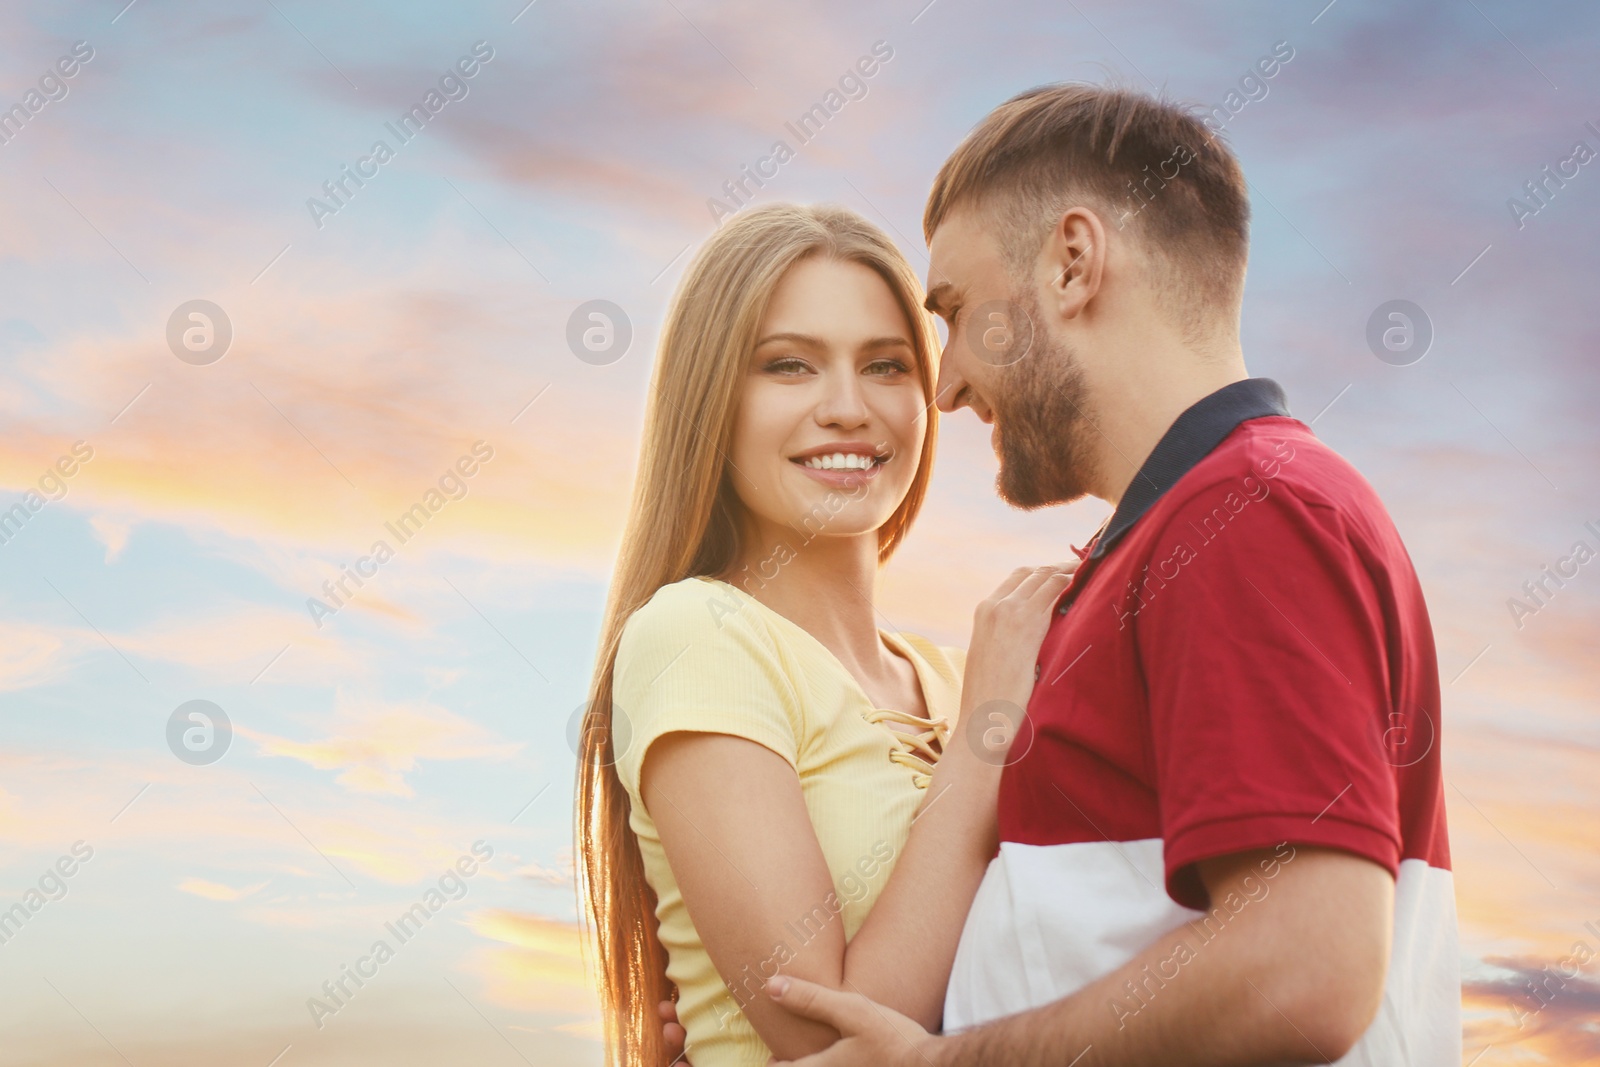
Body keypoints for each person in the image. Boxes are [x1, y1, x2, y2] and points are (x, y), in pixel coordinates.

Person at [758, 84, 1462, 1065]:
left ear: (1072, 262)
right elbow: (1086, 941)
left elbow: (1306, 966)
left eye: (955, 312)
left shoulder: (1247, 514)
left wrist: (938, 1062)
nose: (947, 379)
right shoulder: (1164, 546)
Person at [573, 202, 1075, 1067]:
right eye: (789, 365)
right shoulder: (697, 635)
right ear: (711, 398)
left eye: (885, 366)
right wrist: (986, 740)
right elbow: (828, 1037)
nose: (849, 408)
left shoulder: (968, 671)